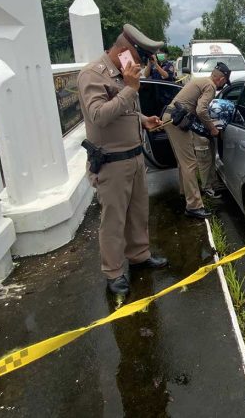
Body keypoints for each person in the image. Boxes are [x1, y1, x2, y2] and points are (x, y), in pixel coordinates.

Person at [77, 24, 168, 296]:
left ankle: (139, 255)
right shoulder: (92, 75)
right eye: (137, 60)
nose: (139, 67)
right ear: (125, 52)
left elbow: (125, 111)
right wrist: (130, 88)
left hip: (135, 157)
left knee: (139, 213)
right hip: (111, 162)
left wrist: (143, 120)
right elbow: (99, 115)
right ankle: (114, 272)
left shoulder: (123, 75)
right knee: (114, 221)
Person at [162, 62, 231, 218]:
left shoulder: (199, 80)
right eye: (224, 82)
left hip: (170, 118)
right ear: (220, 79)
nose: (222, 85)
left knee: (183, 162)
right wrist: (213, 129)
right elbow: (201, 109)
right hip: (177, 121)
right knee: (190, 164)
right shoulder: (210, 86)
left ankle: (184, 191)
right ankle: (194, 206)